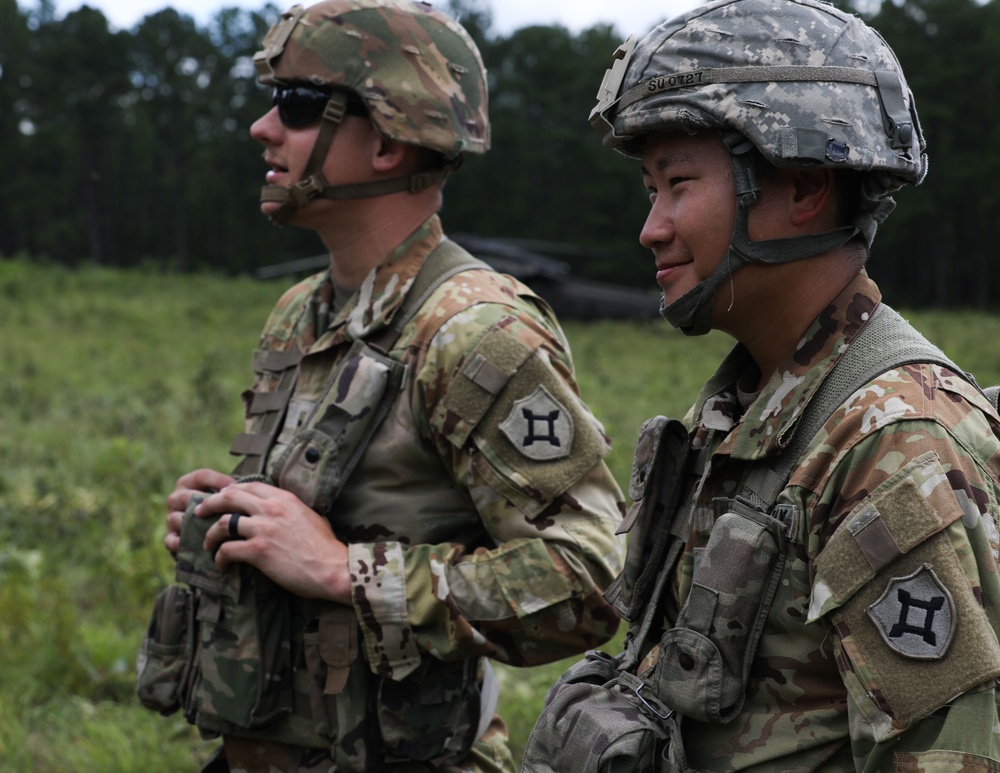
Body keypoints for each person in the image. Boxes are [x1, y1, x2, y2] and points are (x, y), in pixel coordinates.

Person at [137, 2, 625, 771]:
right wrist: (241, 526)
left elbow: (588, 576)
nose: (264, 128)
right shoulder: (301, 312)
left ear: (392, 141)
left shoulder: (474, 332)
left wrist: (342, 571)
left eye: (297, 106)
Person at [523, 0, 1000, 770]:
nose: (652, 226)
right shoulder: (750, 408)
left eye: (678, 183)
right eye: (652, 189)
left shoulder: (890, 440)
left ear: (805, 186)